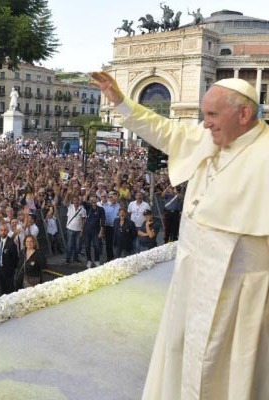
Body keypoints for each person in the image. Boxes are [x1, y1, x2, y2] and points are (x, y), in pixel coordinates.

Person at [91, 71, 269, 399]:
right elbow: (162, 129)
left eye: (213, 115)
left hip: (241, 293)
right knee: (181, 354)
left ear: (244, 114)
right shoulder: (207, 137)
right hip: (192, 279)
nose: (205, 124)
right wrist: (120, 100)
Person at [0, 224, 19, 295]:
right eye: (1, 230)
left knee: (9, 289)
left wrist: (12, 269)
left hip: (8, 270)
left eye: (5, 230)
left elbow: (15, 258)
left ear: (8, 231)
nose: (3, 232)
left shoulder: (11, 243)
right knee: (2, 288)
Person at [64, 195, 86, 263]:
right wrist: (68, 193)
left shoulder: (82, 210)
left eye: (77, 200)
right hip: (70, 228)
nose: (76, 202)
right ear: (73, 201)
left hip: (78, 230)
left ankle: (75, 258)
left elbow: (83, 220)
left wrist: (82, 229)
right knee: (69, 245)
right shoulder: (70, 206)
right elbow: (65, 202)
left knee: (77, 245)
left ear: (79, 201)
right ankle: (68, 259)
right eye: (74, 200)